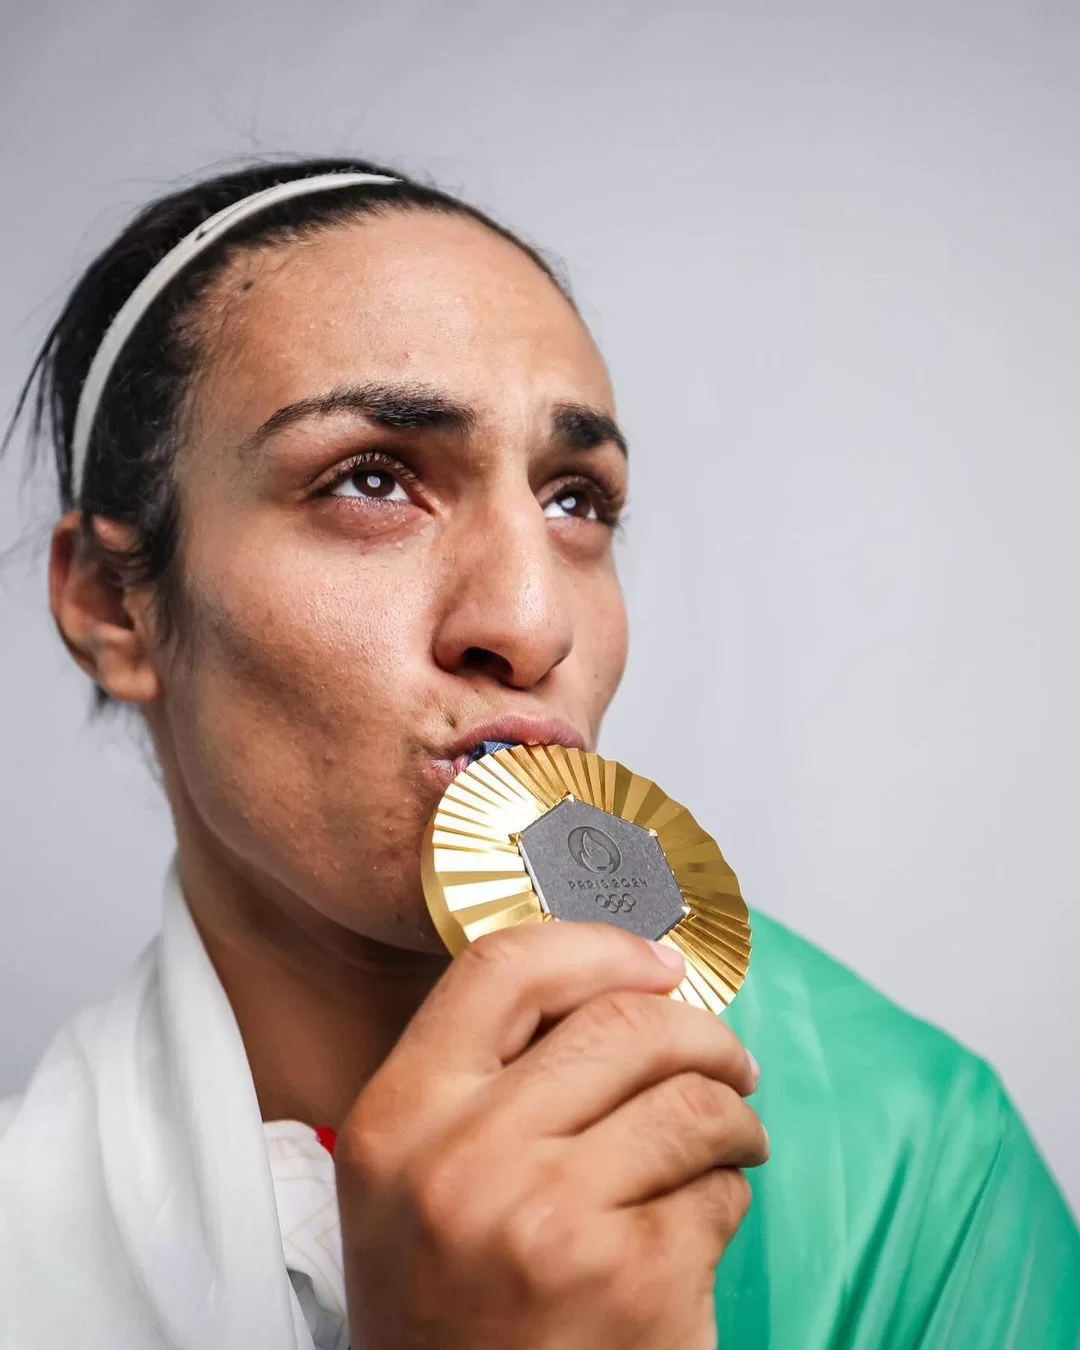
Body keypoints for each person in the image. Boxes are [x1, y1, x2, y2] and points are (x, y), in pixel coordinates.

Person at [0, 157, 1076, 1350]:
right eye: (372, 479)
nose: (529, 620)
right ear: (111, 602)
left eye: (576, 502)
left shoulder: (918, 1161)